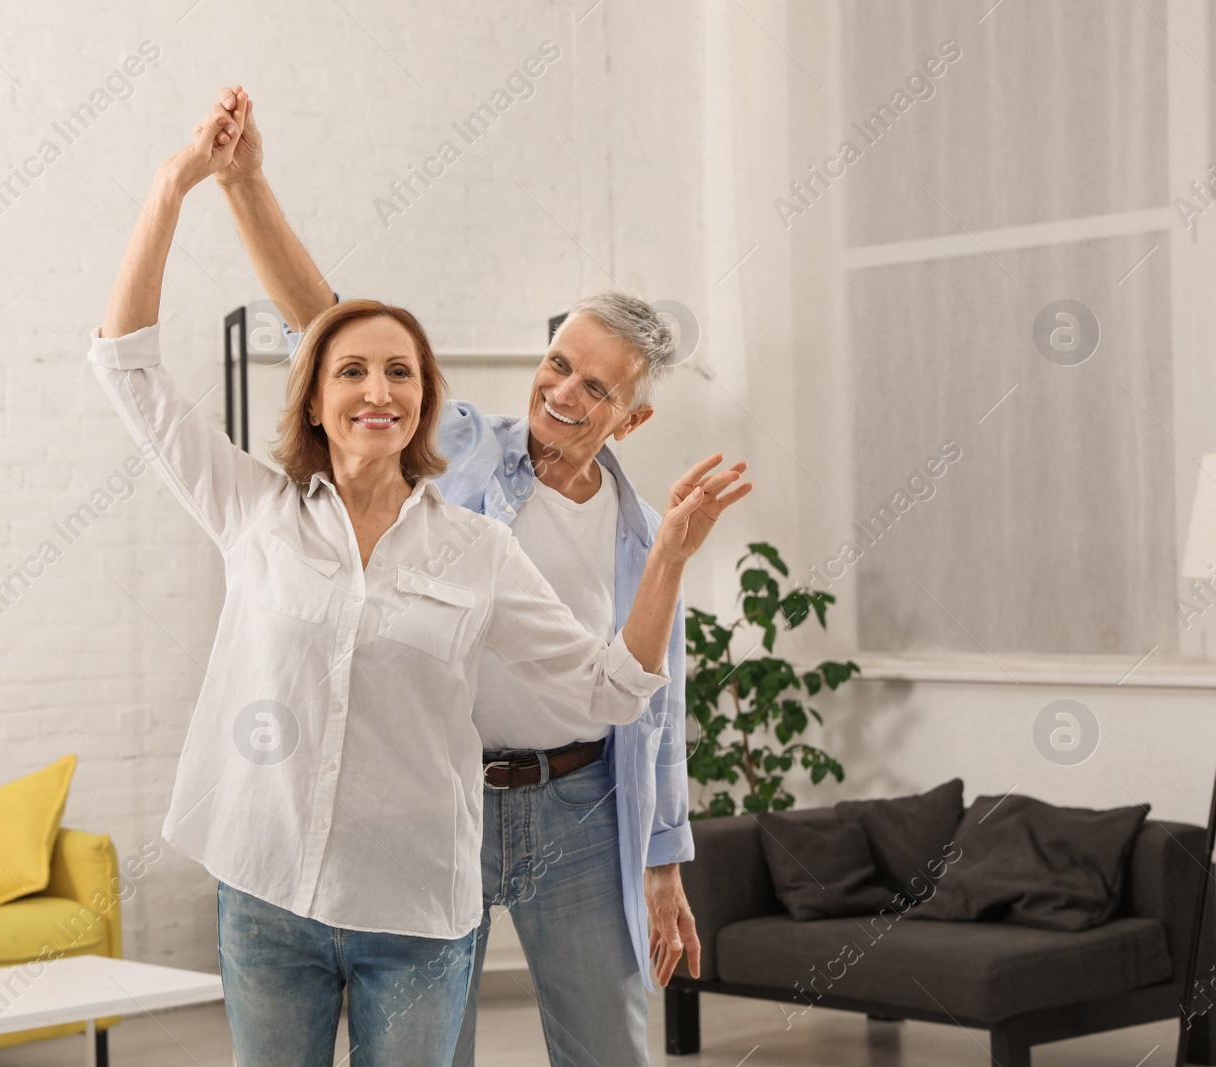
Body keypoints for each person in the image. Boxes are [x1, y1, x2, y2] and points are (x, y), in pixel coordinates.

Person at [88, 97, 751, 1067]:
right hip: (448, 787)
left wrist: (662, 859)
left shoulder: (638, 536)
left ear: (631, 419)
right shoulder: (455, 451)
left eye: (596, 387)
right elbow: (325, 322)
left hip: (572, 798)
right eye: (558, 363)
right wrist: (238, 184)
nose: (563, 393)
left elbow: (645, 700)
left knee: (606, 1043)